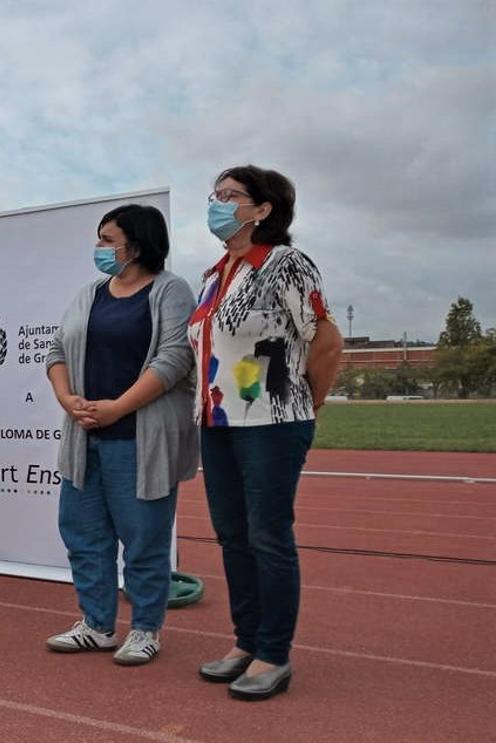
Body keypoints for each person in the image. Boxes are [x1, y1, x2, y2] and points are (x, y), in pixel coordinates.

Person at [189, 165, 343, 700]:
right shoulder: (214, 273)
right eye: (215, 195)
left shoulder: (285, 264)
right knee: (232, 537)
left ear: (263, 209)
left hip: (273, 422)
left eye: (230, 196)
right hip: (219, 422)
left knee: (268, 537)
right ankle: (246, 640)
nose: (217, 203)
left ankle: (274, 653)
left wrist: (309, 405)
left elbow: (324, 339)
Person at [43, 204, 198, 666]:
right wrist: (67, 398)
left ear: (136, 243)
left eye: (107, 239)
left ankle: (146, 628)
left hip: (139, 438)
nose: (100, 248)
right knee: (82, 533)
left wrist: (117, 409)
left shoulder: (171, 291)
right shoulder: (90, 293)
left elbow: (173, 359)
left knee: (144, 538)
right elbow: (56, 349)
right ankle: (96, 625)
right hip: (84, 435)